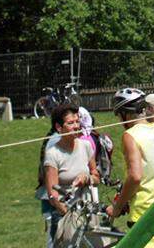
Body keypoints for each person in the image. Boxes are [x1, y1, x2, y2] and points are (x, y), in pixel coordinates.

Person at [103, 89, 154, 247]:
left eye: (119, 116)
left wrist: (117, 208)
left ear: (125, 114)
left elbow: (135, 176)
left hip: (144, 215)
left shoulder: (130, 135)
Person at [40, 104, 100, 248]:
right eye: (70, 123)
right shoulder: (53, 154)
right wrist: (68, 213)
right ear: (59, 127)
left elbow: (96, 177)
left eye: (77, 121)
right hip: (64, 214)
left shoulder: (86, 146)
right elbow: (52, 194)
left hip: (87, 210)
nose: (76, 126)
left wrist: (87, 178)